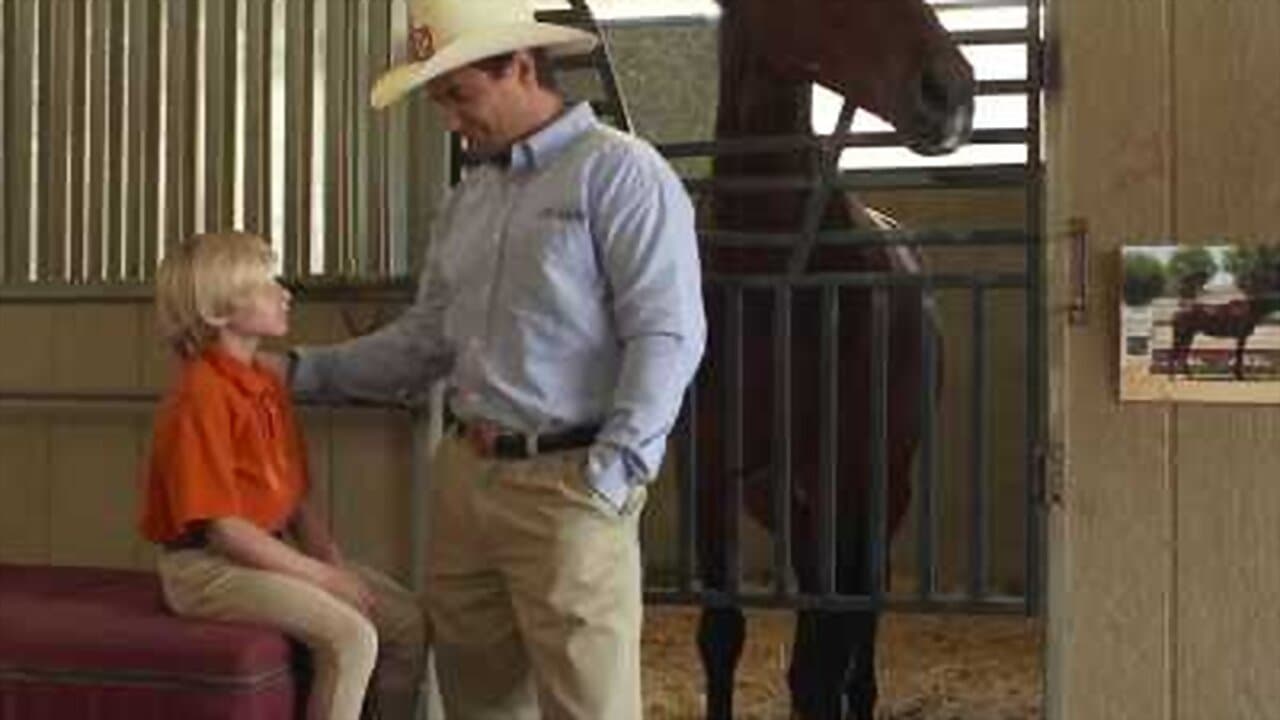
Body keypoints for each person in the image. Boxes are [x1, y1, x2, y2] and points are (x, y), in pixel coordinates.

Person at [272, 0, 706, 716]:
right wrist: (299, 372)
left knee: (589, 703)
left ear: (522, 67)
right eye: (439, 100)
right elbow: (425, 342)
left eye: (460, 95)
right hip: (466, 477)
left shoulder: (621, 175)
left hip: (569, 483)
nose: (451, 119)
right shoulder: (469, 199)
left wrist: (614, 474)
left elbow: (667, 334)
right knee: (477, 700)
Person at [138, 232, 428, 720]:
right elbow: (226, 532)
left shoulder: (265, 383)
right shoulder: (200, 396)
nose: (284, 293)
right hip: (207, 570)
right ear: (219, 309)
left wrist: (334, 565)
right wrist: (325, 580)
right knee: (352, 638)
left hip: (263, 553)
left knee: (406, 622)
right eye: (266, 284)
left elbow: (296, 500)